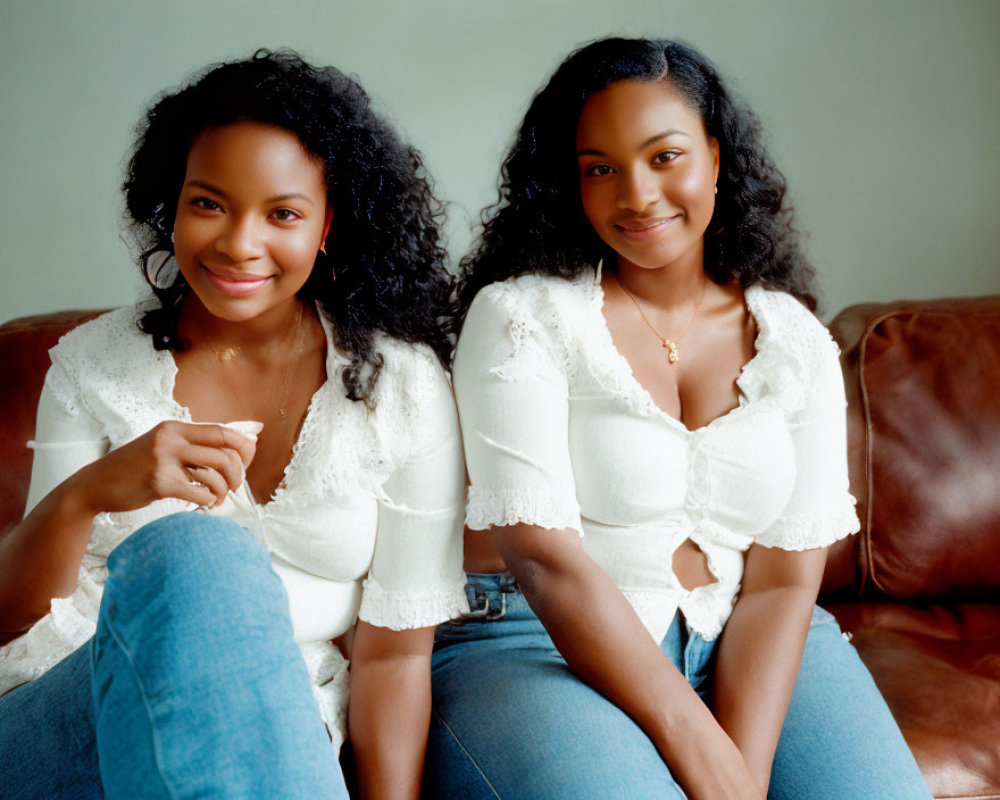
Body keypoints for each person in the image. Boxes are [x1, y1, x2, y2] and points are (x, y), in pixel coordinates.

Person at [425, 37, 932, 800]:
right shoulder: (522, 317)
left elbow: (783, 584)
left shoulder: (792, 339)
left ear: (717, 159)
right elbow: (545, 559)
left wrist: (743, 774)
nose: (636, 195)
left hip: (746, 631)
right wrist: (694, 740)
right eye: (600, 168)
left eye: (665, 157)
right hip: (535, 635)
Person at [0, 50, 467, 800]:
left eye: (282, 213)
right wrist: (88, 493)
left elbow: (392, 658)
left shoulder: (402, 386)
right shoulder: (92, 366)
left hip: (283, 737)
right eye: (208, 204)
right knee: (195, 552)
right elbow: (11, 619)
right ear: (171, 206)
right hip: (66, 720)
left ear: (326, 226)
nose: (238, 244)